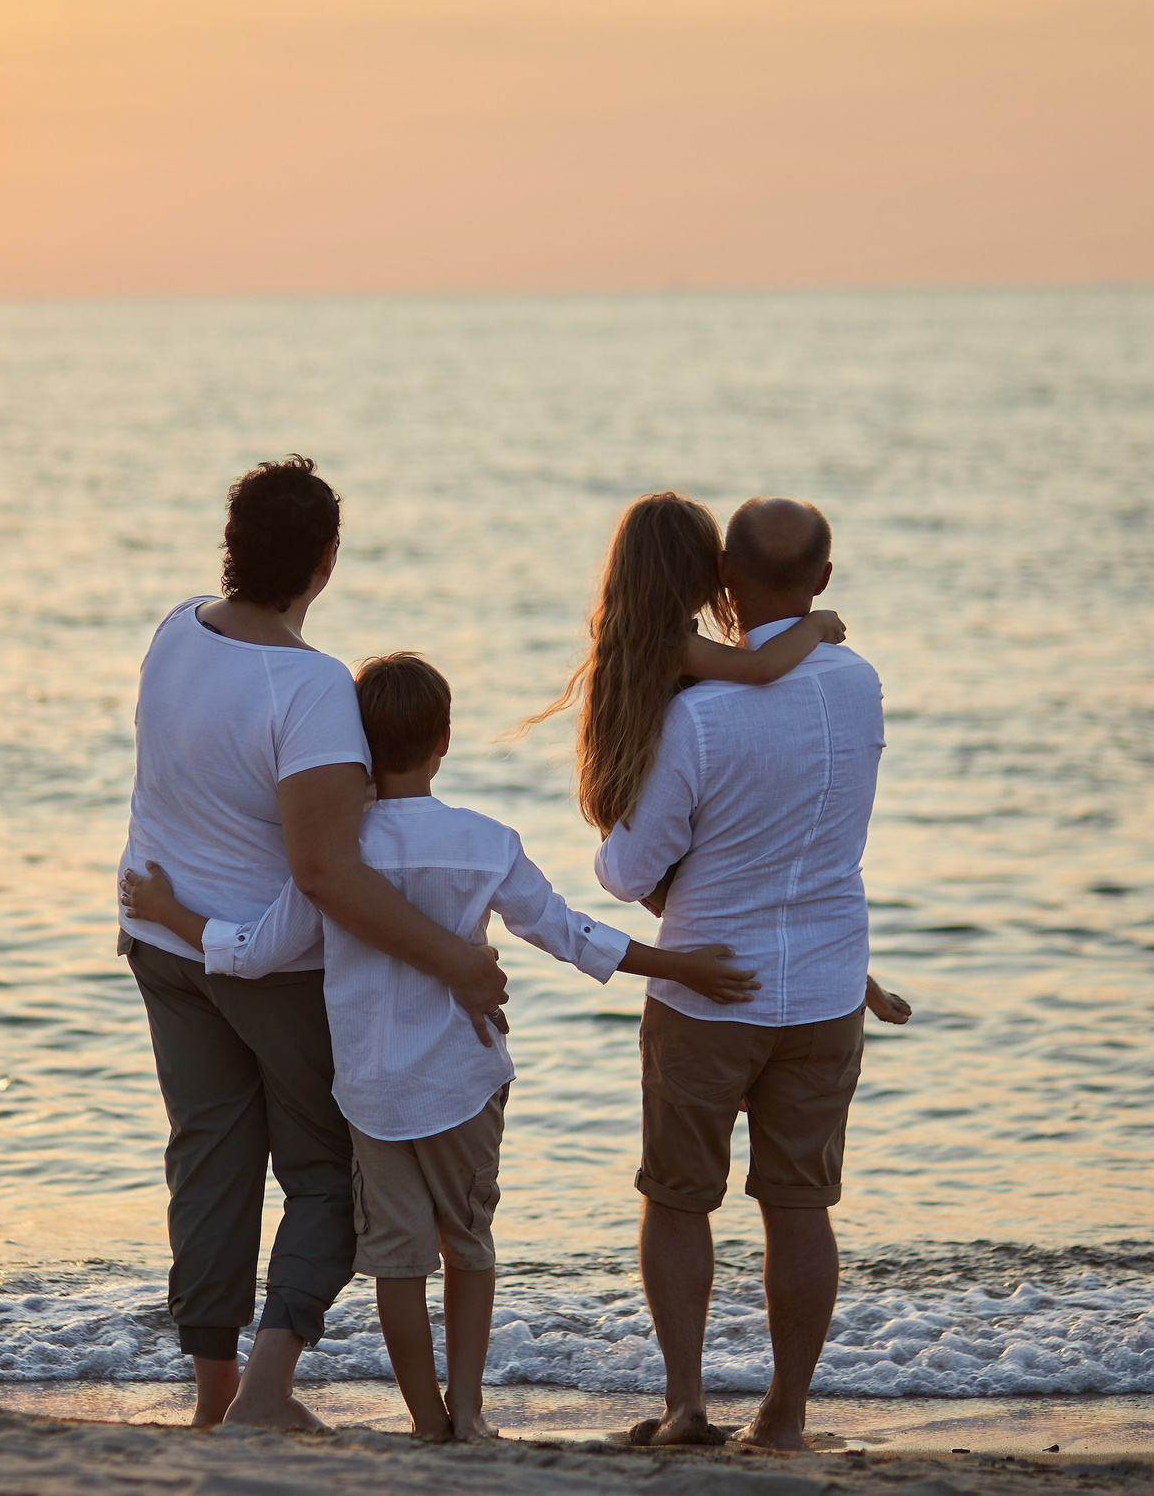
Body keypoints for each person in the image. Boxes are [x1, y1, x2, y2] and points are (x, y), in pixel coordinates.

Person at [126, 653, 756, 1441]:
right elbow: (569, 934)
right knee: (470, 1246)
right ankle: (469, 1412)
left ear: (357, 743)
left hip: (372, 1091)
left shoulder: (333, 858)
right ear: (445, 740)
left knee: (397, 1261)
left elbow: (253, 950)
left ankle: (424, 1416)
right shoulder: (484, 841)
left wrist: (168, 910)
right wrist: (679, 962)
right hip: (463, 1080)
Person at [114, 457, 510, 1430]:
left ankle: (214, 1393)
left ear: (231, 548)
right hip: (270, 970)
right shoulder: (312, 686)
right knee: (327, 1176)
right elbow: (328, 871)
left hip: (162, 941)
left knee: (207, 1162)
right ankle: (265, 1390)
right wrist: (454, 957)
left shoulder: (172, 631)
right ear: (326, 562)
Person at [572, 493, 904, 1451]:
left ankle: (685, 1405)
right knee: (801, 1207)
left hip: (708, 988)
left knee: (679, 1196)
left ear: (723, 579)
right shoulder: (860, 681)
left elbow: (631, 872)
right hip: (828, 988)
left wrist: (621, 845)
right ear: (825, 581)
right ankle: (785, 1415)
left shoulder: (700, 714)